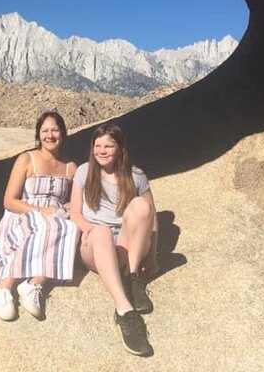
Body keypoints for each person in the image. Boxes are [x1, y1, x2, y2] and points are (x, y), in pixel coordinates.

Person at [0, 111, 79, 321]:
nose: (50, 135)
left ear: (63, 134)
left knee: (70, 228)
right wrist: (41, 211)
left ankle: (34, 284)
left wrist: (62, 209)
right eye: (45, 131)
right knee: (42, 225)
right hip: (22, 214)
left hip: (55, 218)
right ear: (39, 134)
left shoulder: (71, 167)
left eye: (55, 130)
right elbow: (9, 201)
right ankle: (4, 287)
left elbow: (74, 200)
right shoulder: (26, 159)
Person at [69, 123, 158, 357]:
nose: (102, 150)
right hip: (95, 244)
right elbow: (75, 212)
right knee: (102, 232)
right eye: (97, 145)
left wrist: (153, 255)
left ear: (120, 148)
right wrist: (89, 229)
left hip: (128, 247)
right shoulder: (84, 171)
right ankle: (124, 310)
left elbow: (152, 217)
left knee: (141, 205)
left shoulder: (136, 175)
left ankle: (133, 276)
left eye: (109, 145)